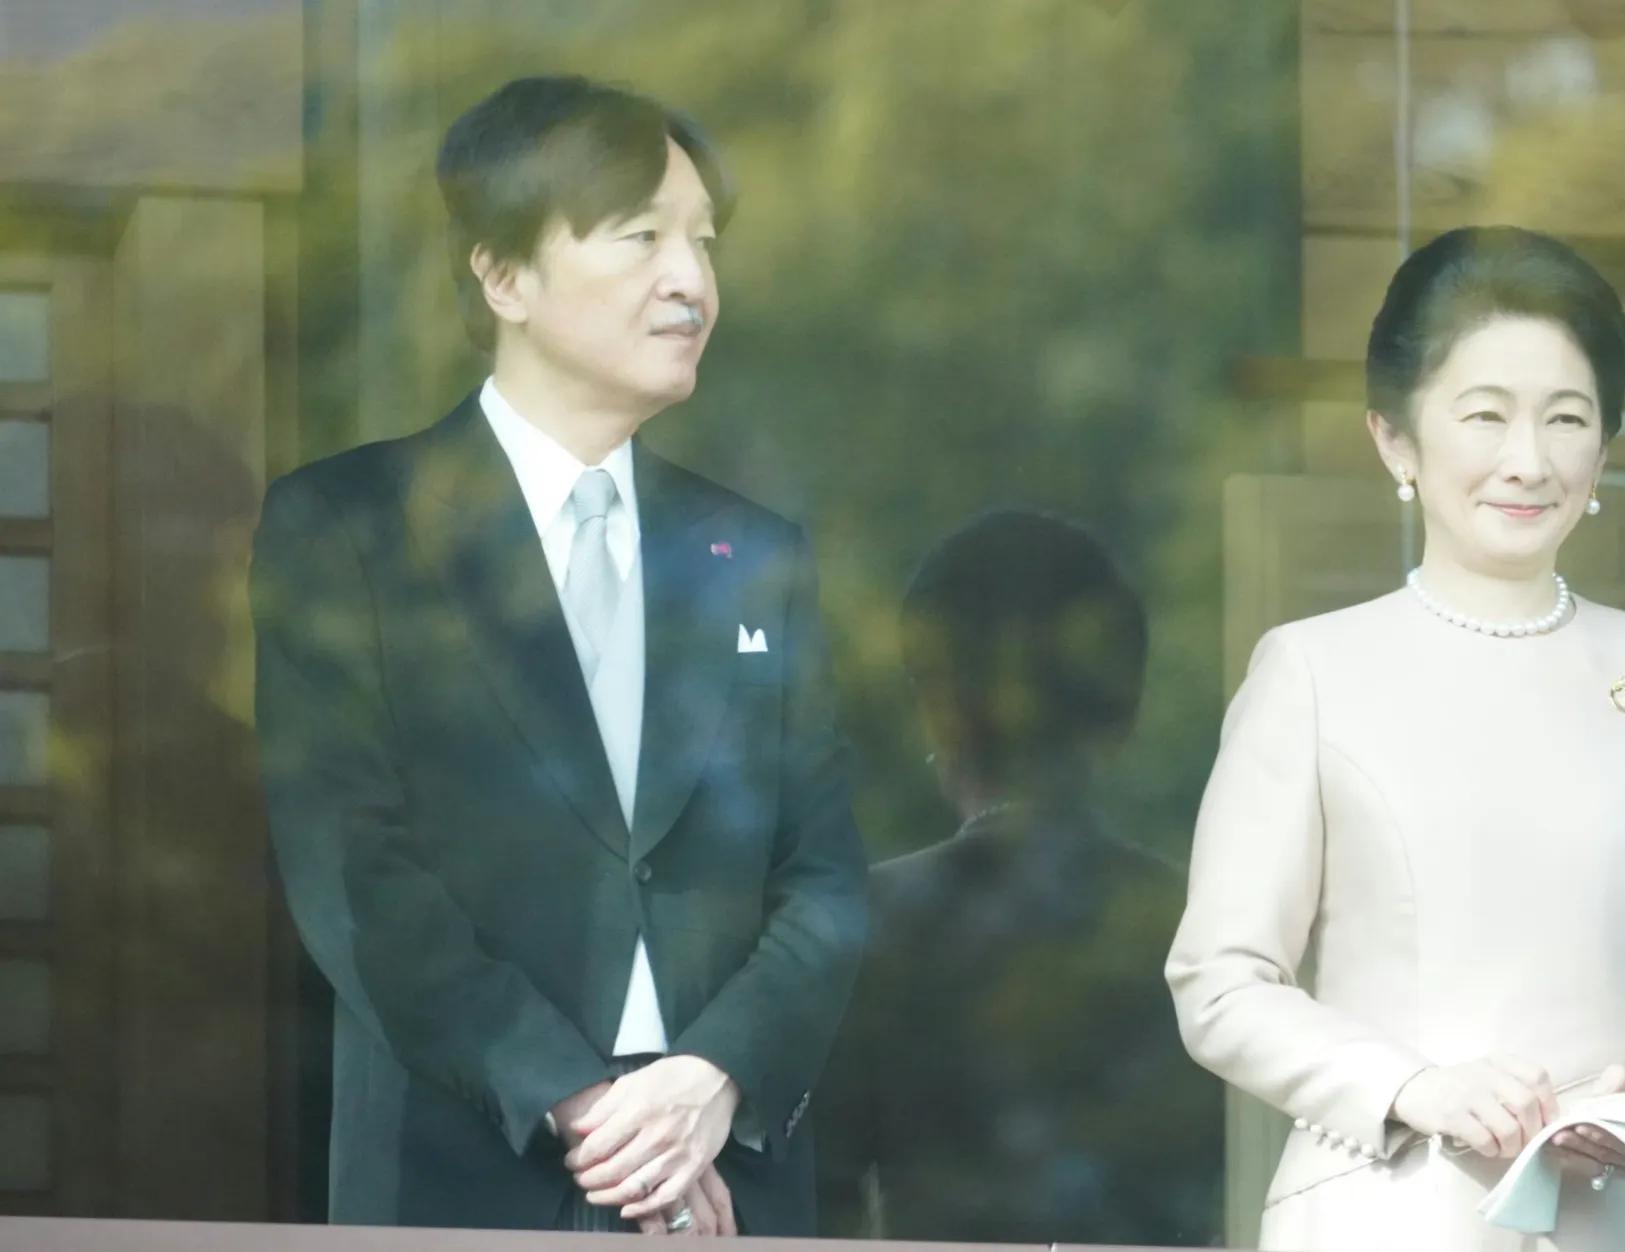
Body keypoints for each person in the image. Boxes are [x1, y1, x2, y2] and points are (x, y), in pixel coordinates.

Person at [251, 75, 867, 1236]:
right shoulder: (350, 526)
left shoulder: (753, 553)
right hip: (466, 1162)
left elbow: (825, 875)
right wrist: (585, 1106)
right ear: (503, 275)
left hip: (723, 1175)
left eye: (703, 242)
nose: (691, 281)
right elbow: (354, 871)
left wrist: (710, 1080)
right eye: (642, 237)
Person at [1165, 226, 1625, 1251]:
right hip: (1382, 1215)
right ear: (1395, 440)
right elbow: (1221, 980)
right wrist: (1412, 1086)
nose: (1528, 460)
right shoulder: (1313, 671)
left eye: (1567, 418)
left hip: (1622, 1220)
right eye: (1485, 415)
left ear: (1603, 448)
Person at [820, 510, 1222, 1245]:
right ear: (1124, 704)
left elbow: (825, 1194)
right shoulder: (1207, 930)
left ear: (936, 703)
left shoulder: (864, 924)